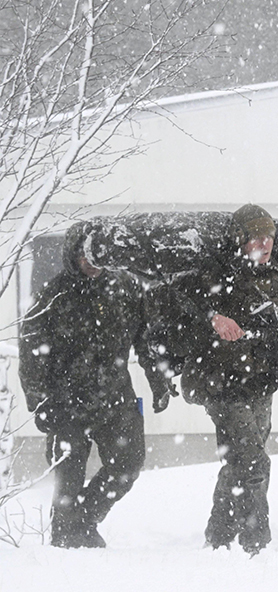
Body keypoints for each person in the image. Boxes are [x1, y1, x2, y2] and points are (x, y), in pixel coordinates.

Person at [167, 204, 278, 555]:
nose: (266, 243)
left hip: (261, 382)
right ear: (241, 240)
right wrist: (214, 317)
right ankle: (256, 544)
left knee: (239, 463)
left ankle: (218, 538)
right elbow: (179, 299)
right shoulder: (217, 272)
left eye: (270, 236)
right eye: (258, 236)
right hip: (220, 382)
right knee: (254, 462)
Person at [18, 223, 174, 548]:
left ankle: (84, 521)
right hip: (66, 404)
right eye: (85, 254)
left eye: (99, 254)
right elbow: (32, 355)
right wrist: (40, 402)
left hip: (116, 398)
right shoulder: (52, 297)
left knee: (128, 465)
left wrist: (158, 382)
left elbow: (146, 340)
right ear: (72, 255)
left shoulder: (127, 289)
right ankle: (65, 547)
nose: (92, 261)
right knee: (68, 482)